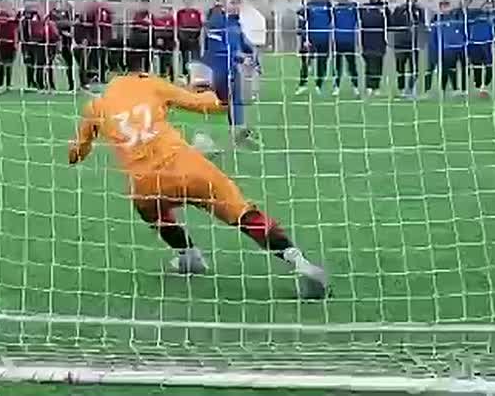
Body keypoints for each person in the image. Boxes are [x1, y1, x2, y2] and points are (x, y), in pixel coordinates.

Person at [68, 51, 329, 299]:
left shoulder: (96, 106)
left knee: (147, 207)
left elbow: (77, 153)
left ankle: (188, 255)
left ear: (111, 71)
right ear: (143, 67)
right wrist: (225, 91)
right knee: (244, 215)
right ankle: (298, 261)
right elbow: (209, 104)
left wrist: (77, 150)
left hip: (147, 184)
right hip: (189, 169)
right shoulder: (152, 84)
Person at [203, 0, 260, 148]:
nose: (235, 5)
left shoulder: (236, 23)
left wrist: (254, 60)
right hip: (216, 70)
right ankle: (206, 137)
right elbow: (218, 49)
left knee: (236, 100)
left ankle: (237, 134)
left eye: (238, 2)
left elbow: (244, 44)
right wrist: (240, 58)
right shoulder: (216, 20)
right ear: (224, 1)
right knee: (211, 104)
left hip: (232, 70)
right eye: (232, 1)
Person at [295, 0, 334, 95]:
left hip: (324, 38)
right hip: (311, 39)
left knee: (322, 62)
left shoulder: (327, 5)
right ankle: (303, 83)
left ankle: (319, 84)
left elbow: (332, 19)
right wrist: (303, 36)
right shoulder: (309, 5)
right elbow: (302, 19)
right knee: (305, 61)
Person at [389, 0, 426, 99]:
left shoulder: (419, 10)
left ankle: (410, 88)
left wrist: (421, 40)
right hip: (400, 43)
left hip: (413, 44)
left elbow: (422, 25)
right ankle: (401, 88)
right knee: (400, 67)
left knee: (414, 67)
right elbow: (393, 24)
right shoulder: (400, 9)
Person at [427, 0, 466, 97]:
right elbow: (434, 36)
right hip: (445, 49)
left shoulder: (455, 17)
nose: (446, 9)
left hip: (457, 48)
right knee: (445, 70)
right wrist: (435, 50)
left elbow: (460, 30)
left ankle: (457, 88)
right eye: (444, 7)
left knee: (456, 69)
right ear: (440, 8)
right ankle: (443, 89)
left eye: (447, 6)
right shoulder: (438, 20)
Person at [21, 0, 59, 91]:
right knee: (39, 64)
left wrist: (56, 39)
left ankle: (50, 84)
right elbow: (30, 31)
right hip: (39, 43)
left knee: (48, 64)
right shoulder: (33, 18)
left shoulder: (52, 17)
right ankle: (39, 84)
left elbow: (56, 31)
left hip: (50, 43)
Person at [359, 0, 389, 97]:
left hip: (379, 41)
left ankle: (376, 86)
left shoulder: (384, 8)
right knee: (369, 64)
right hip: (367, 41)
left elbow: (389, 23)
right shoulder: (365, 8)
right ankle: (369, 86)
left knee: (378, 63)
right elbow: (362, 21)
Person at [81, 0, 115, 87]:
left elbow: (109, 25)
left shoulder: (107, 11)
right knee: (92, 59)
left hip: (104, 39)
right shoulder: (91, 11)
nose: (100, 0)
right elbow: (87, 25)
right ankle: (90, 78)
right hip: (93, 39)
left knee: (103, 58)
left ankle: (102, 77)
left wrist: (109, 38)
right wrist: (87, 38)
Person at [331, 0, 360, 96]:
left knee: (352, 66)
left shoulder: (353, 7)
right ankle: (336, 87)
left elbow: (358, 21)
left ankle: (355, 87)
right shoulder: (335, 9)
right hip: (338, 42)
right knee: (338, 66)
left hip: (350, 41)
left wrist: (358, 40)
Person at [464, 0, 495, 98]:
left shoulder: (493, 16)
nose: (488, 7)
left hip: (486, 44)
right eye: (486, 5)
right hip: (475, 44)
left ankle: (485, 86)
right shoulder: (475, 14)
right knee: (477, 66)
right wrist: (466, 4)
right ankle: (478, 87)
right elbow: (465, 13)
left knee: (489, 66)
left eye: (490, 6)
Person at [46, 0, 77, 92]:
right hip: (54, 42)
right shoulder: (52, 13)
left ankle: (71, 85)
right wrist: (63, 30)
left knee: (69, 63)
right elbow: (52, 25)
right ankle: (51, 85)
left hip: (66, 43)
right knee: (49, 63)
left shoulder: (67, 12)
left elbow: (72, 25)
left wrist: (69, 30)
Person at [175, 0, 204, 81]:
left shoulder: (196, 13)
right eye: (186, 2)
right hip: (183, 38)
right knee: (184, 58)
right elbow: (177, 26)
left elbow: (200, 26)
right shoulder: (180, 13)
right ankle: (184, 75)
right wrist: (179, 37)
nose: (188, 4)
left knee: (195, 57)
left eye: (190, 2)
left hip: (195, 38)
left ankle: (196, 75)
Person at [0, 6, 19, 91]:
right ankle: (0, 83)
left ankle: (8, 84)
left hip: (10, 48)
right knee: (1, 66)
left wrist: (16, 44)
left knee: (9, 67)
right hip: (0, 47)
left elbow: (16, 28)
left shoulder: (12, 24)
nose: (3, 19)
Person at [127, 0, 154, 74]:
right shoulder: (138, 14)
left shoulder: (150, 15)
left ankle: (147, 69)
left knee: (151, 46)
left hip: (147, 40)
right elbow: (137, 23)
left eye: (147, 4)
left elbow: (155, 22)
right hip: (138, 40)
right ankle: (135, 70)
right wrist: (146, 22)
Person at [151, 4, 177, 82]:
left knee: (169, 58)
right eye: (163, 10)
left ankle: (170, 75)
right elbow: (155, 23)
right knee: (161, 55)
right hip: (161, 41)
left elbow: (172, 28)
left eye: (167, 10)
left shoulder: (171, 20)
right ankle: (162, 73)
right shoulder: (157, 19)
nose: (165, 12)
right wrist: (164, 26)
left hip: (169, 42)